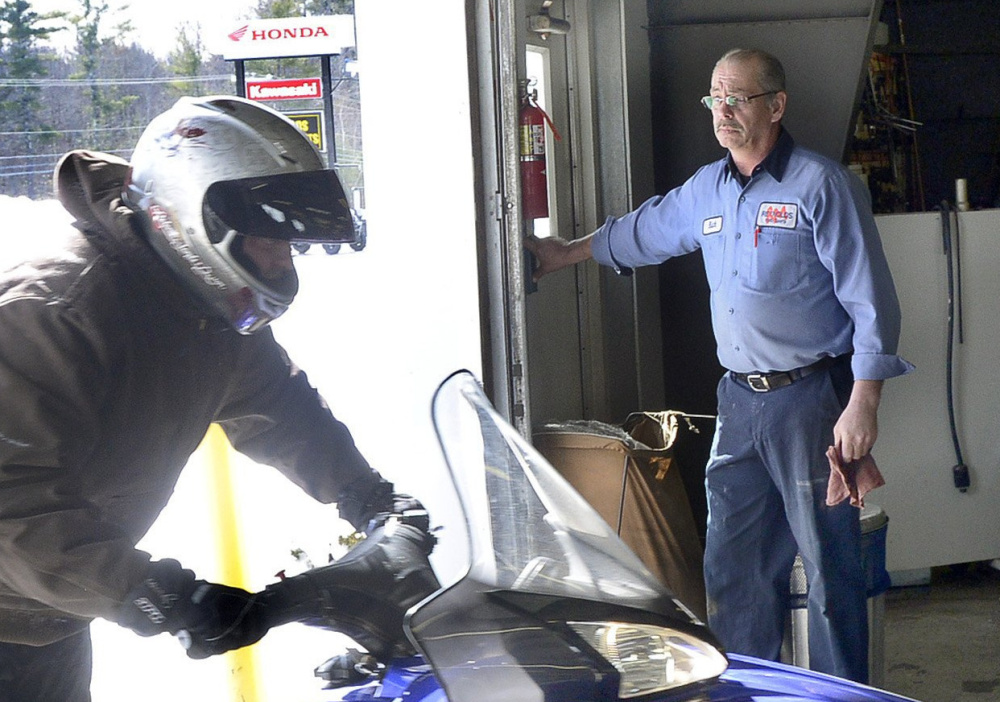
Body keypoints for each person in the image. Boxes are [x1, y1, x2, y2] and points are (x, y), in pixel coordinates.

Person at [0, 95, 426, 701]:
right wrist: (153, 592)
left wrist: (368, 497)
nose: (281, 259)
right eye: (268, 239)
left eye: (289, 243)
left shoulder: (203, 309)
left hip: (50, 613)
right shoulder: (54, 316)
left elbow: (279, 408)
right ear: (192, 218)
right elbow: (10, 505)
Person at [525, 47, 913, 683]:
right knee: (732, 567)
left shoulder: (821, 186)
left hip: (811, 401)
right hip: (738, 401)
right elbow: (643, 231)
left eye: (738, 97)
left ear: (776, 106)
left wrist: (863, 401)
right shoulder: (708, 189)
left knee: (830, 569)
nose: (723, 111)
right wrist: (563, 253)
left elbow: (872, 299)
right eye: (715, 98)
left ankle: (843, 695)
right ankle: (748, 690)